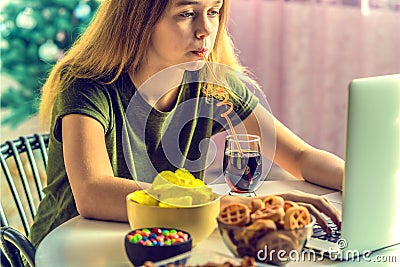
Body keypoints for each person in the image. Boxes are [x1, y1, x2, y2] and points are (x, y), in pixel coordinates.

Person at [29, 0, 344, 249]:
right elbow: (93, 192)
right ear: (139, 19)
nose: (206, 29)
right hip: (74, 247)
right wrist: (230, 205)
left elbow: (300, 157)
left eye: (214, 11)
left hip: (166, 242)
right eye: (186, 13)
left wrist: (358, 182)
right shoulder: (87, 83)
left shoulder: (212, 83)